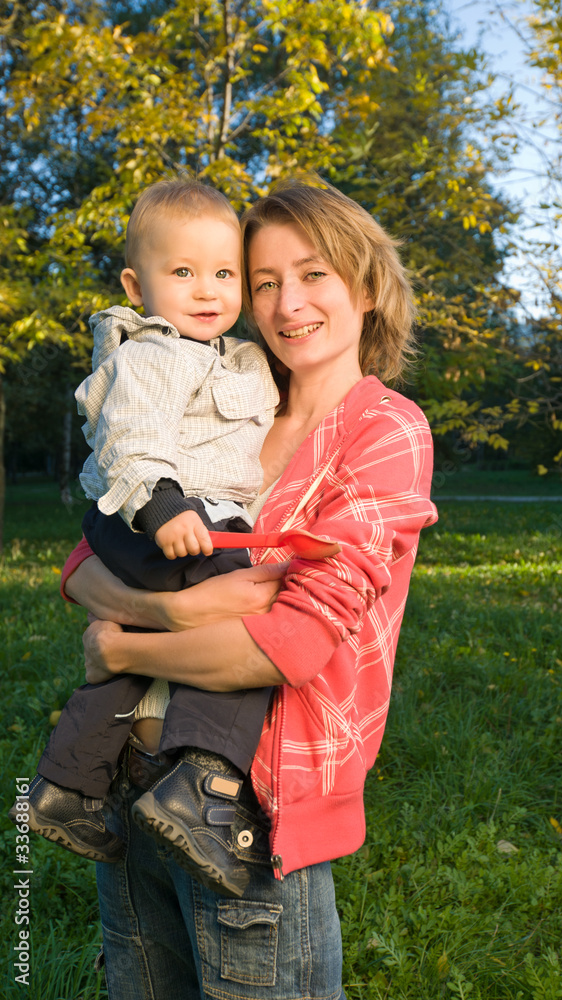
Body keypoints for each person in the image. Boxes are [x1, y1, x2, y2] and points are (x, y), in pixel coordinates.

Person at [59, 179, 438, 1000]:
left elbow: (287, 646)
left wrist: (126, 637)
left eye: (312, 275)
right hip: (132, 780)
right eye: (263, 281)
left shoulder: (384, 432)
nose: (284, 302)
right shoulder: (231, 396)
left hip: (250, 813)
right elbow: (88, 554)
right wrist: (170, 604)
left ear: (366, 289)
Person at [21, 179, 281, 897]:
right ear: (138, 284)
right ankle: (203, 785)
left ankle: (66, 785)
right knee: (247, 626)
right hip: (156, 516)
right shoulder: (154, 352)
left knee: (143, 663)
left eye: (224, 273)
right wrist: (164, 508)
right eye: (184, 272)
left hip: (165, 522)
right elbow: (133, 437)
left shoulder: (233, 356)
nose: (207, 290)